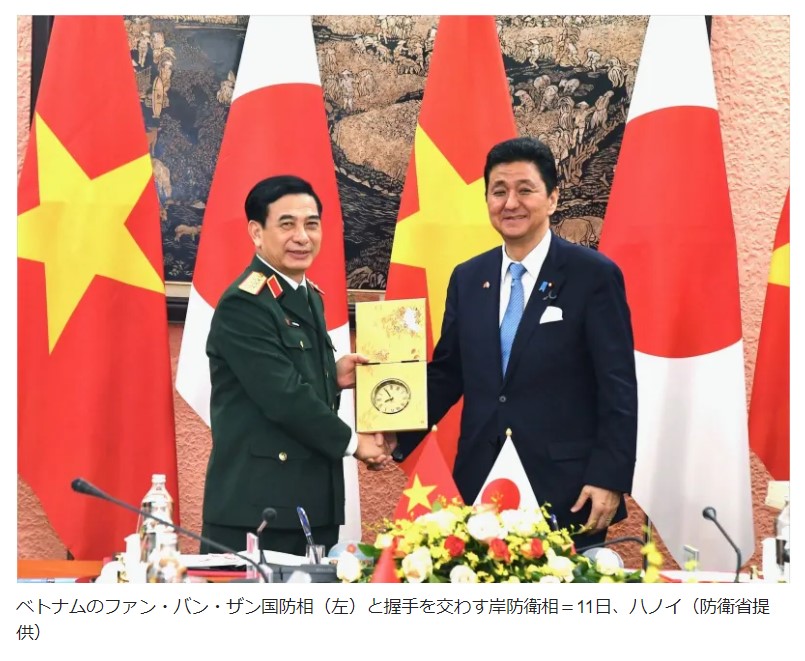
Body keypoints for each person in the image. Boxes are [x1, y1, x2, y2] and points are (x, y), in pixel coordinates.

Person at [393, 137, 637, 547]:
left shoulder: (593, 276)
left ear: (553, 198)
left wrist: (608, 476)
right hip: (480, 485)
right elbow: (449, 373)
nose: (510, 203)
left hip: (565, 489)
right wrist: (390, 429)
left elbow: (618, 386)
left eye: (525, 190)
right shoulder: (468, 278)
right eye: (499, 191)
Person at [201, 175, 391, 556]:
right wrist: (355, 443)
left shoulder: (307, 295)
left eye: (311, 224)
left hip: (311, 504)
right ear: (256, 232)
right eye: (287, 224)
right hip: (259, 512)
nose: (302, 237)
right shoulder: (245, 303)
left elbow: (290, 374)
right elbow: (284, 397)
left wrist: (333, 375)